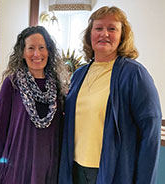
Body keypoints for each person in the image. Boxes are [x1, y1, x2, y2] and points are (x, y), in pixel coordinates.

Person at [58, 6, 162, 184]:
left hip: (112, 172)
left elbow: (150, 132)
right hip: (75, 170)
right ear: (90, 34)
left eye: (112, 28)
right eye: (98, 28)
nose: (104, 33)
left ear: (122, 36)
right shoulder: (79, 74)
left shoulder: (134, 74)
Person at [0, 26, 69, 184]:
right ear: (22, 53)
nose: (37, 54)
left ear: (49, 51)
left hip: (49, 171)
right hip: (17, 170)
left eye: (42, 48)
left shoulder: (58, 86)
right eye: (31, 48)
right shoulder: (12, 84)